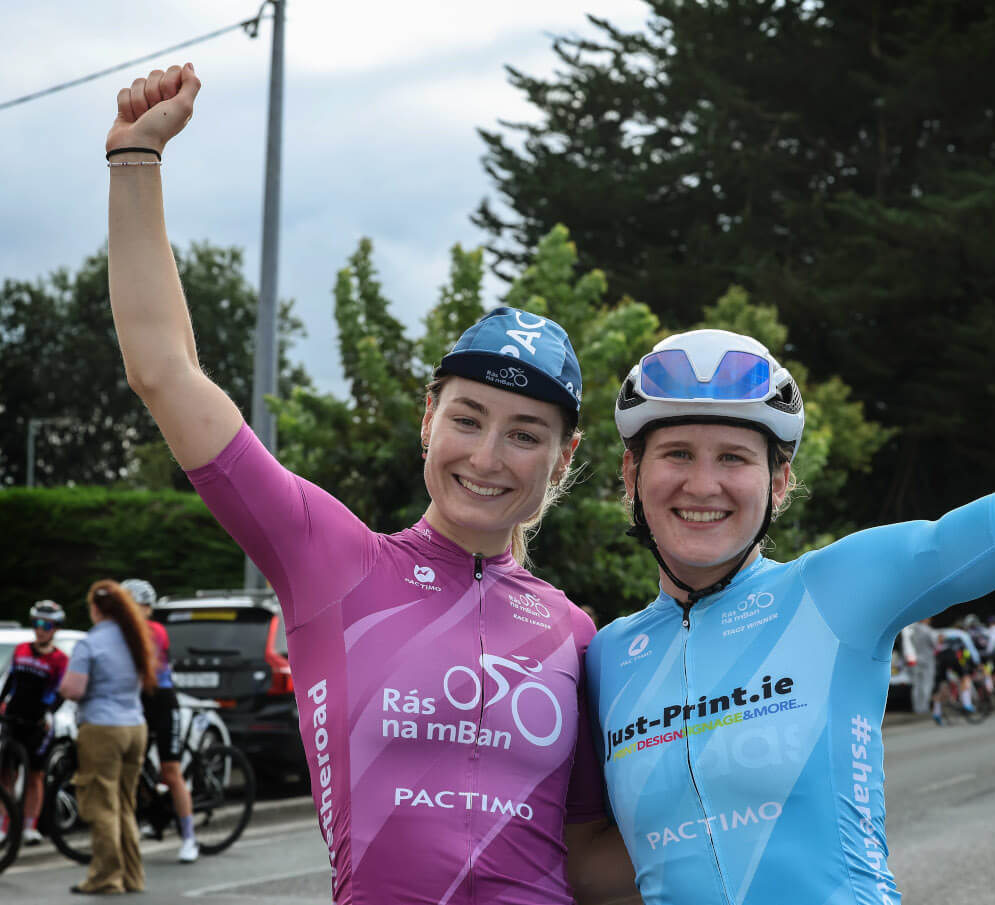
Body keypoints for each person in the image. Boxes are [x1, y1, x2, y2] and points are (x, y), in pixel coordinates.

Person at [586, 158, 995, 903]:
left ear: (778, 484)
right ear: (631, 476)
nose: (703, 483)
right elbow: (597, 865)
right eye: (676, 453)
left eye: (735, 458)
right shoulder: (604, 656)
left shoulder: (839, 588)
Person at [104, 64, 635, 905]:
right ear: (429, 418)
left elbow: (594, 861)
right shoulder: (332, 558)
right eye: (468, 417)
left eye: (525, 434)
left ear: (561, 459)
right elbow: (165, 372)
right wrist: (136, 160)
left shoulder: (575, 633)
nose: (489, 455)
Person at [59, 581, 156, 895]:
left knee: (101, 804)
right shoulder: (135, 639)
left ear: (96, 608)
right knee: (125, 804)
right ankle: (132, 876)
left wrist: (62, 689)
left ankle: (106, 877)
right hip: (135, 726)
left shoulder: (91, 643)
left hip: (102, 727)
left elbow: (74, 689)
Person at [121, 578, 198, 863]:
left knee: (171, 770)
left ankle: (189, 838)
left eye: (134, 605)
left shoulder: (155, 631)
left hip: (162, 701)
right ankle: (152, 812)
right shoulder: (120, 631)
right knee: (134, 764)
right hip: (136, 700)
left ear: (147, 608)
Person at [0, 600, 69, 845]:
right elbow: (9, 682)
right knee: (6, 774)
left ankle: (30, 826)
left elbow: (60, 692)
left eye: (46, 625)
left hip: (37, 723)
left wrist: (49, 713)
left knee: (35, 776)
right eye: (37, 624)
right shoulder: (20, 650)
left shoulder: (60, 659)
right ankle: (4, 825)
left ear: (56, 628)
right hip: (13, 717)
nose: (40, 629)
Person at [909, 619, 936, 715]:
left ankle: (917, 707)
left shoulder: (913, 630)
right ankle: (924, 708)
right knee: (926, 684)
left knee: (917, 685)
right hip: (927, 660)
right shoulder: (928, 630)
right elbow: (935, 644)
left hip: (916, 659)